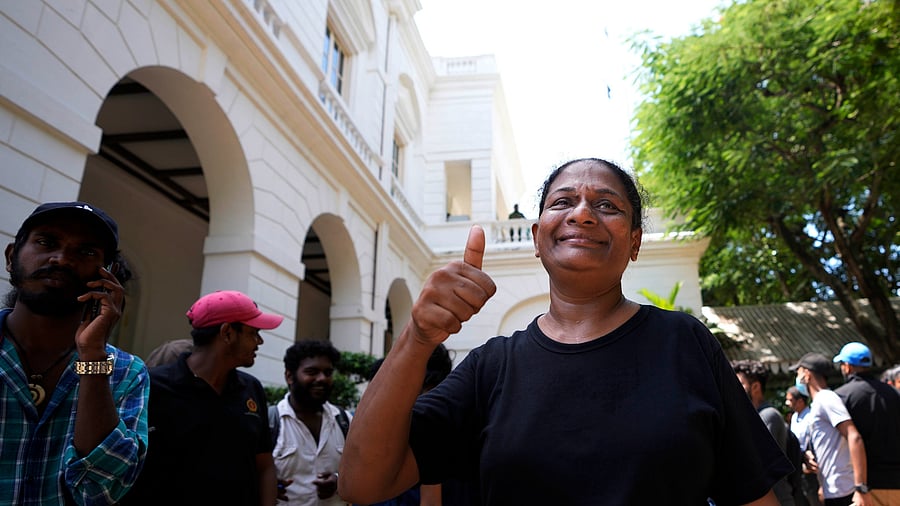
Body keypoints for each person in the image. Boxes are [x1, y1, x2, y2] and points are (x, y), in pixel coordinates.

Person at [338, 157, 791, 505]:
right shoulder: (492, 368)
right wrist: (416, 338)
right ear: (537, 238)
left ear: (634, 241)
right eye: (562, 202)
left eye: (607, 205)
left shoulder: (683, 343)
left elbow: (752, 494)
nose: (583, 214)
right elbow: (362, 482)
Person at [0, 201, 148, 505]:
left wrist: (93, 356)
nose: (62, 259)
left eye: (86, 252)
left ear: (110, 274)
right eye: (46, 242)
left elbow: (102, 490)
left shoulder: (126, 371)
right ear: (12, 256)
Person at [122, 290, 282, 506]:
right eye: (253, 332)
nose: (259, 341)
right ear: (227, 333)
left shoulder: (251, 389)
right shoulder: (151, 386)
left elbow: (264, 465)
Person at [272, 340, 350, 505]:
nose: (321, 379)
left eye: (328, 373)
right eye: (312, 372)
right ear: (289, 376)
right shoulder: (269, 423)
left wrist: (339, 481)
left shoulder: (345, 421)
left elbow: (364, 469)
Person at [790, 352, 870, 506]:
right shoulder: (818, 403)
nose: (797, 377)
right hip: (832, 490)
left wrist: (861, 488)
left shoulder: (826, 398)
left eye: (798, 371)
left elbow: (854, 437)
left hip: (844, 490)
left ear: (807, 374)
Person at [832, 342, 900, 504]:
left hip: (865, 486)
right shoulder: (894, 394)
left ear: (847, 367)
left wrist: (860, 486)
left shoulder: (842, 396)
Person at [733, 360, 803, 505]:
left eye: (739, 384)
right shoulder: (756, 416)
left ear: (756, 386)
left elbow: (754, 461)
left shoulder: (767, 415)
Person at [786, 386, 823, 506]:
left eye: (790, 400)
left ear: (800, 401)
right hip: (798, 464)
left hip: (810, 466)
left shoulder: (810, 417)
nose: (787, 403)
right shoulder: (795, 417)